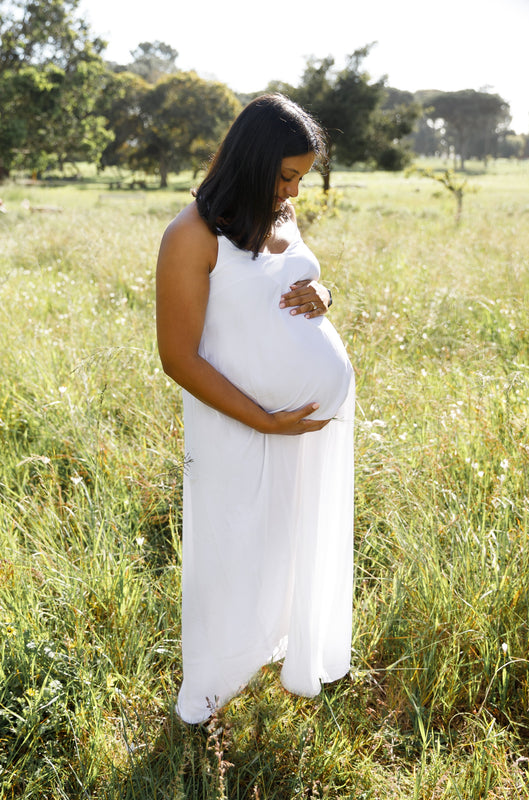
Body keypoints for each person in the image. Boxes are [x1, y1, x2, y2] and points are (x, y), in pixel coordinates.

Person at [156, 94, 355, 725]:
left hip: (307, 428)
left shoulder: (281, 211)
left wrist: (323, 292)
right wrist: (264, 419)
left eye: (300, 176)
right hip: (238, 426)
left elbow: (292, 282)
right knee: (233, 549)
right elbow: (178, 358)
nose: (294, 189)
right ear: (252, 161)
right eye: (287, 174)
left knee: (292, 542)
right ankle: (210, 688)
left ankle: (283, 648)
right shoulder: (189, 236)